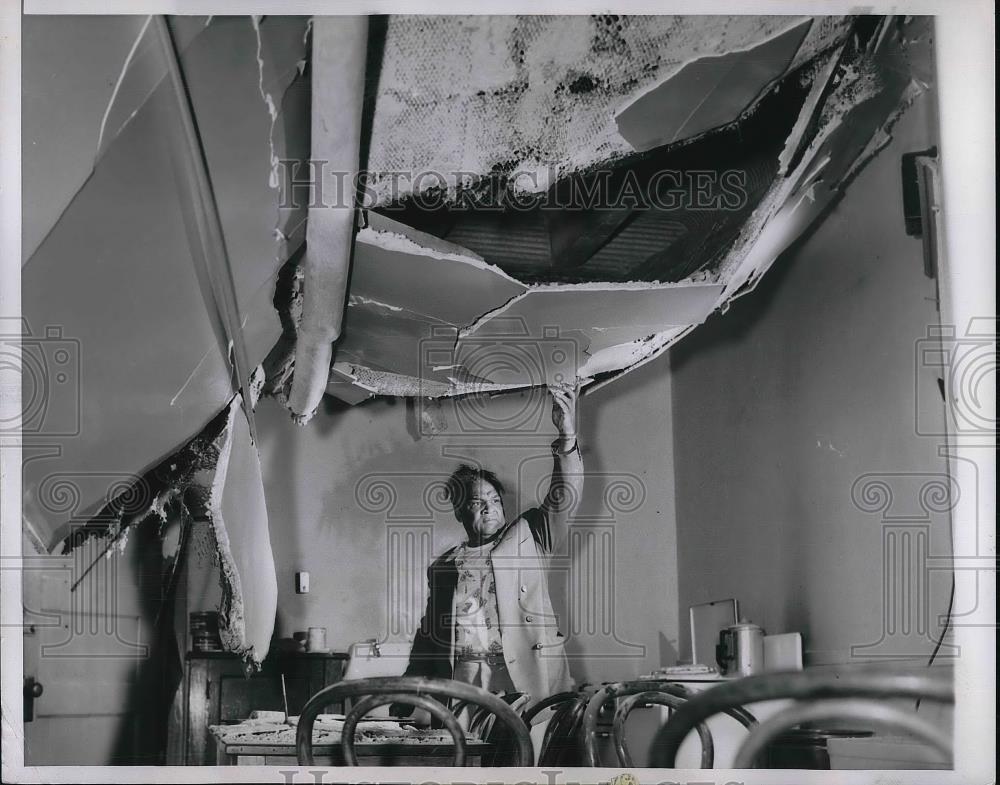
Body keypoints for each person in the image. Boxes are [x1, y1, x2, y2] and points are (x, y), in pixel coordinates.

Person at [393, 383, 583, 715]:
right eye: (477, 502)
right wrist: (406, 697)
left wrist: (566, 439)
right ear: (459, 511)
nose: (488, 508)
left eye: (494, 500)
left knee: (527, 761)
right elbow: (428, 637)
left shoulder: (529, 536)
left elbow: (564, 498)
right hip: (467, 680)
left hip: (526, 676)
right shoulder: (444, 566)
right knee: (472, 762)